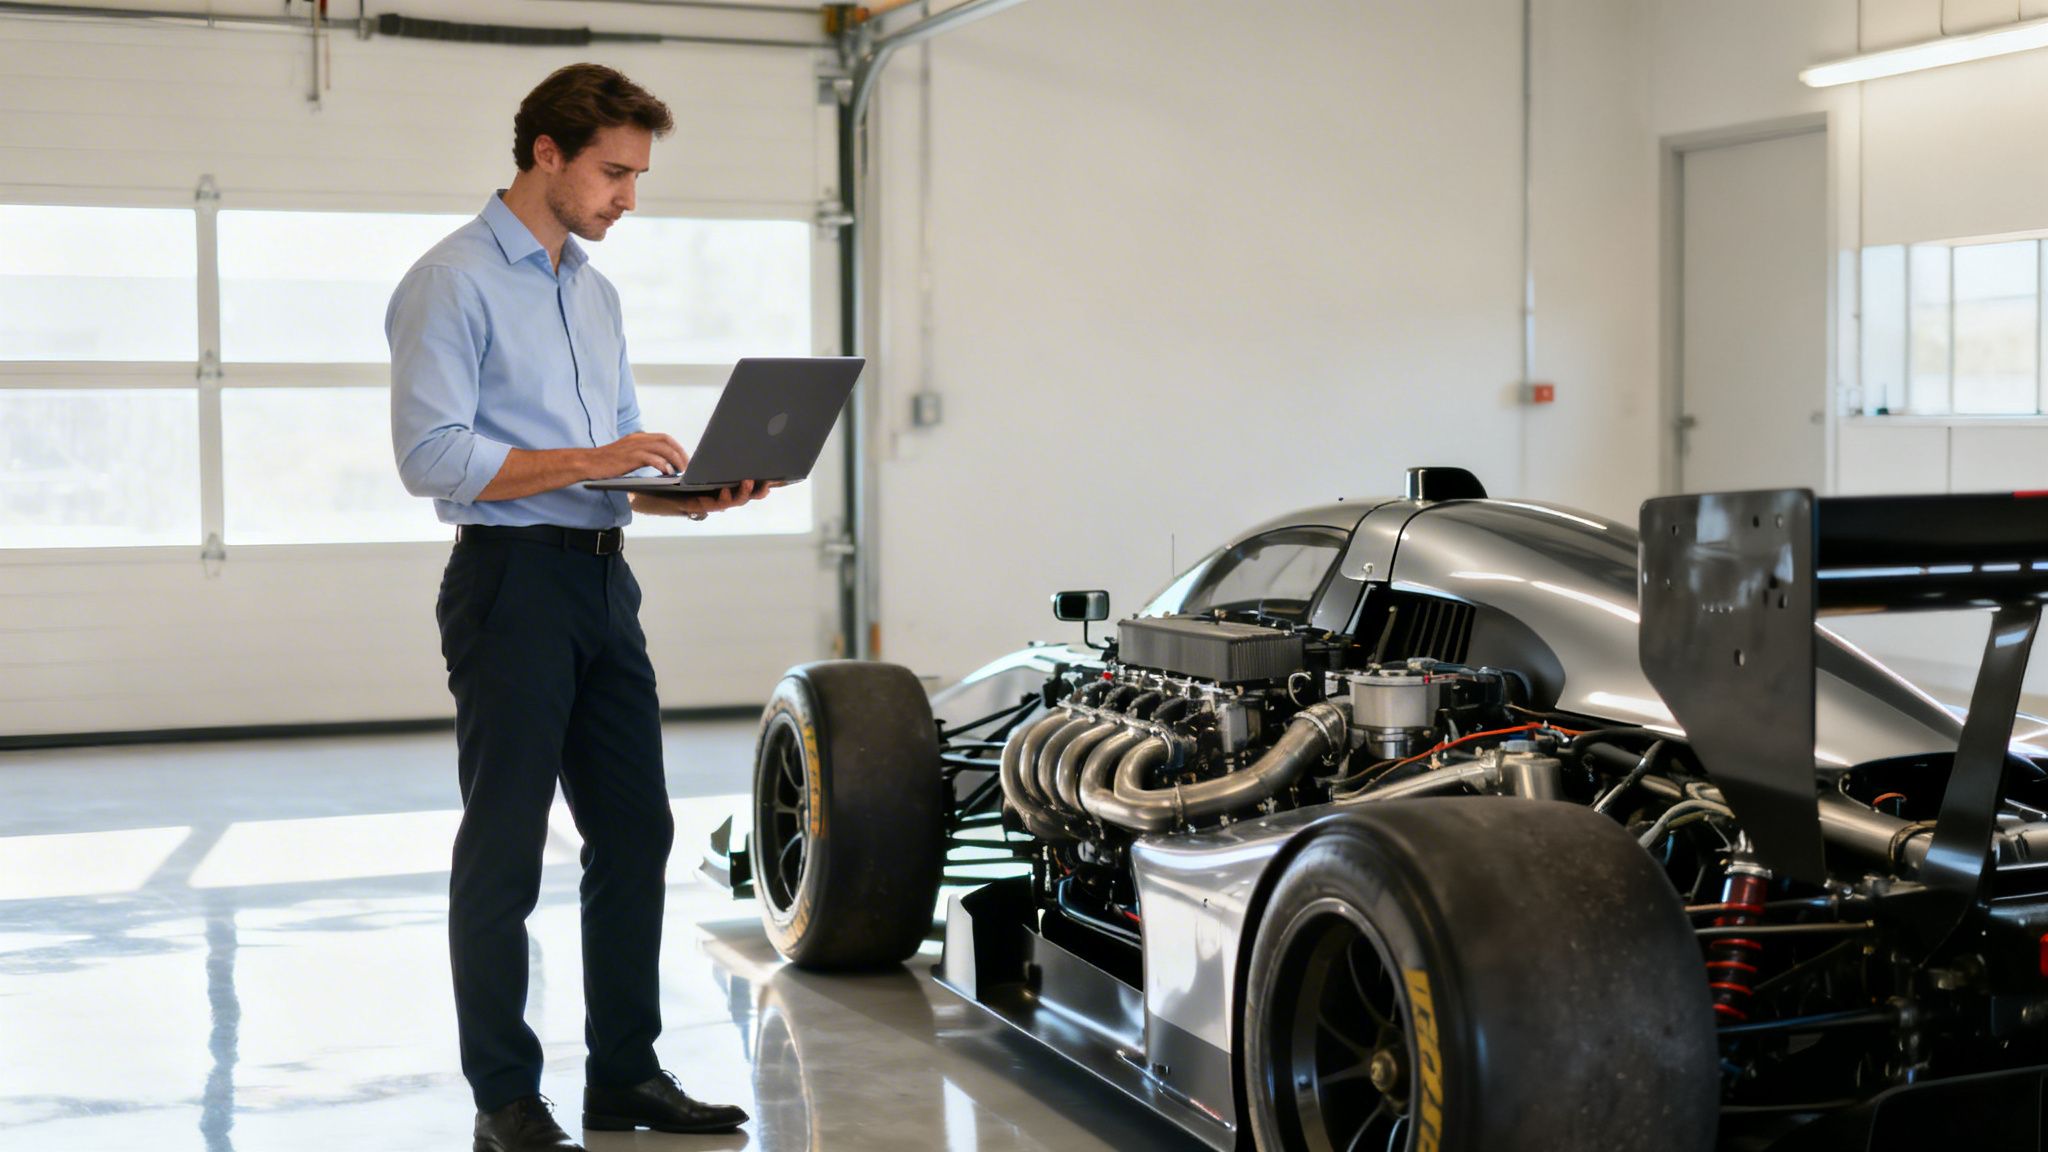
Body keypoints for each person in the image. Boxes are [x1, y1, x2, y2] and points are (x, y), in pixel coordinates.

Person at [387, 62, 760, 1152]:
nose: (626, 200)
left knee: (636, 830)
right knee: (503, 846)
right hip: (509, 584)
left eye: (637, 176)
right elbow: (432, 457)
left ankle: (624, 1078)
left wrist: (681, 494)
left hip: (605, 576)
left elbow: (608, 459)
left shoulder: (591, 292)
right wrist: (600, 459)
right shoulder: (449, 281)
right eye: (612, 173)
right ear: (544, 153)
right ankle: (505, 1097)